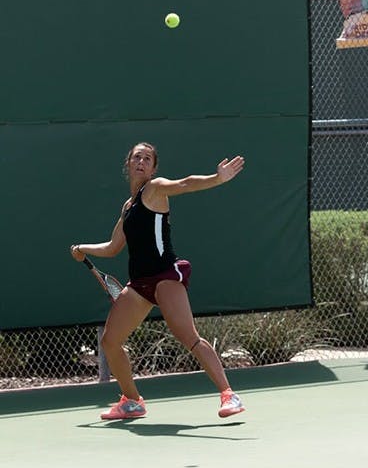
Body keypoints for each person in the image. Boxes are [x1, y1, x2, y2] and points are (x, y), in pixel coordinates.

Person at [70, 142, 246, 420]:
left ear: (153, 168)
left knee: (188, 336)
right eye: (136, 157)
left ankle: (229, 395)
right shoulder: (128, 207)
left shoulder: (155, 188)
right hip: (139, 284)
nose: (141, 161)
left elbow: (186, 183)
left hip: (165, 275)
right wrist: (83, 248)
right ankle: (132, 401)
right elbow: (114, 246)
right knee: (110, 341)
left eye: (147, 158)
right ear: (128, 163)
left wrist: (217, 178)